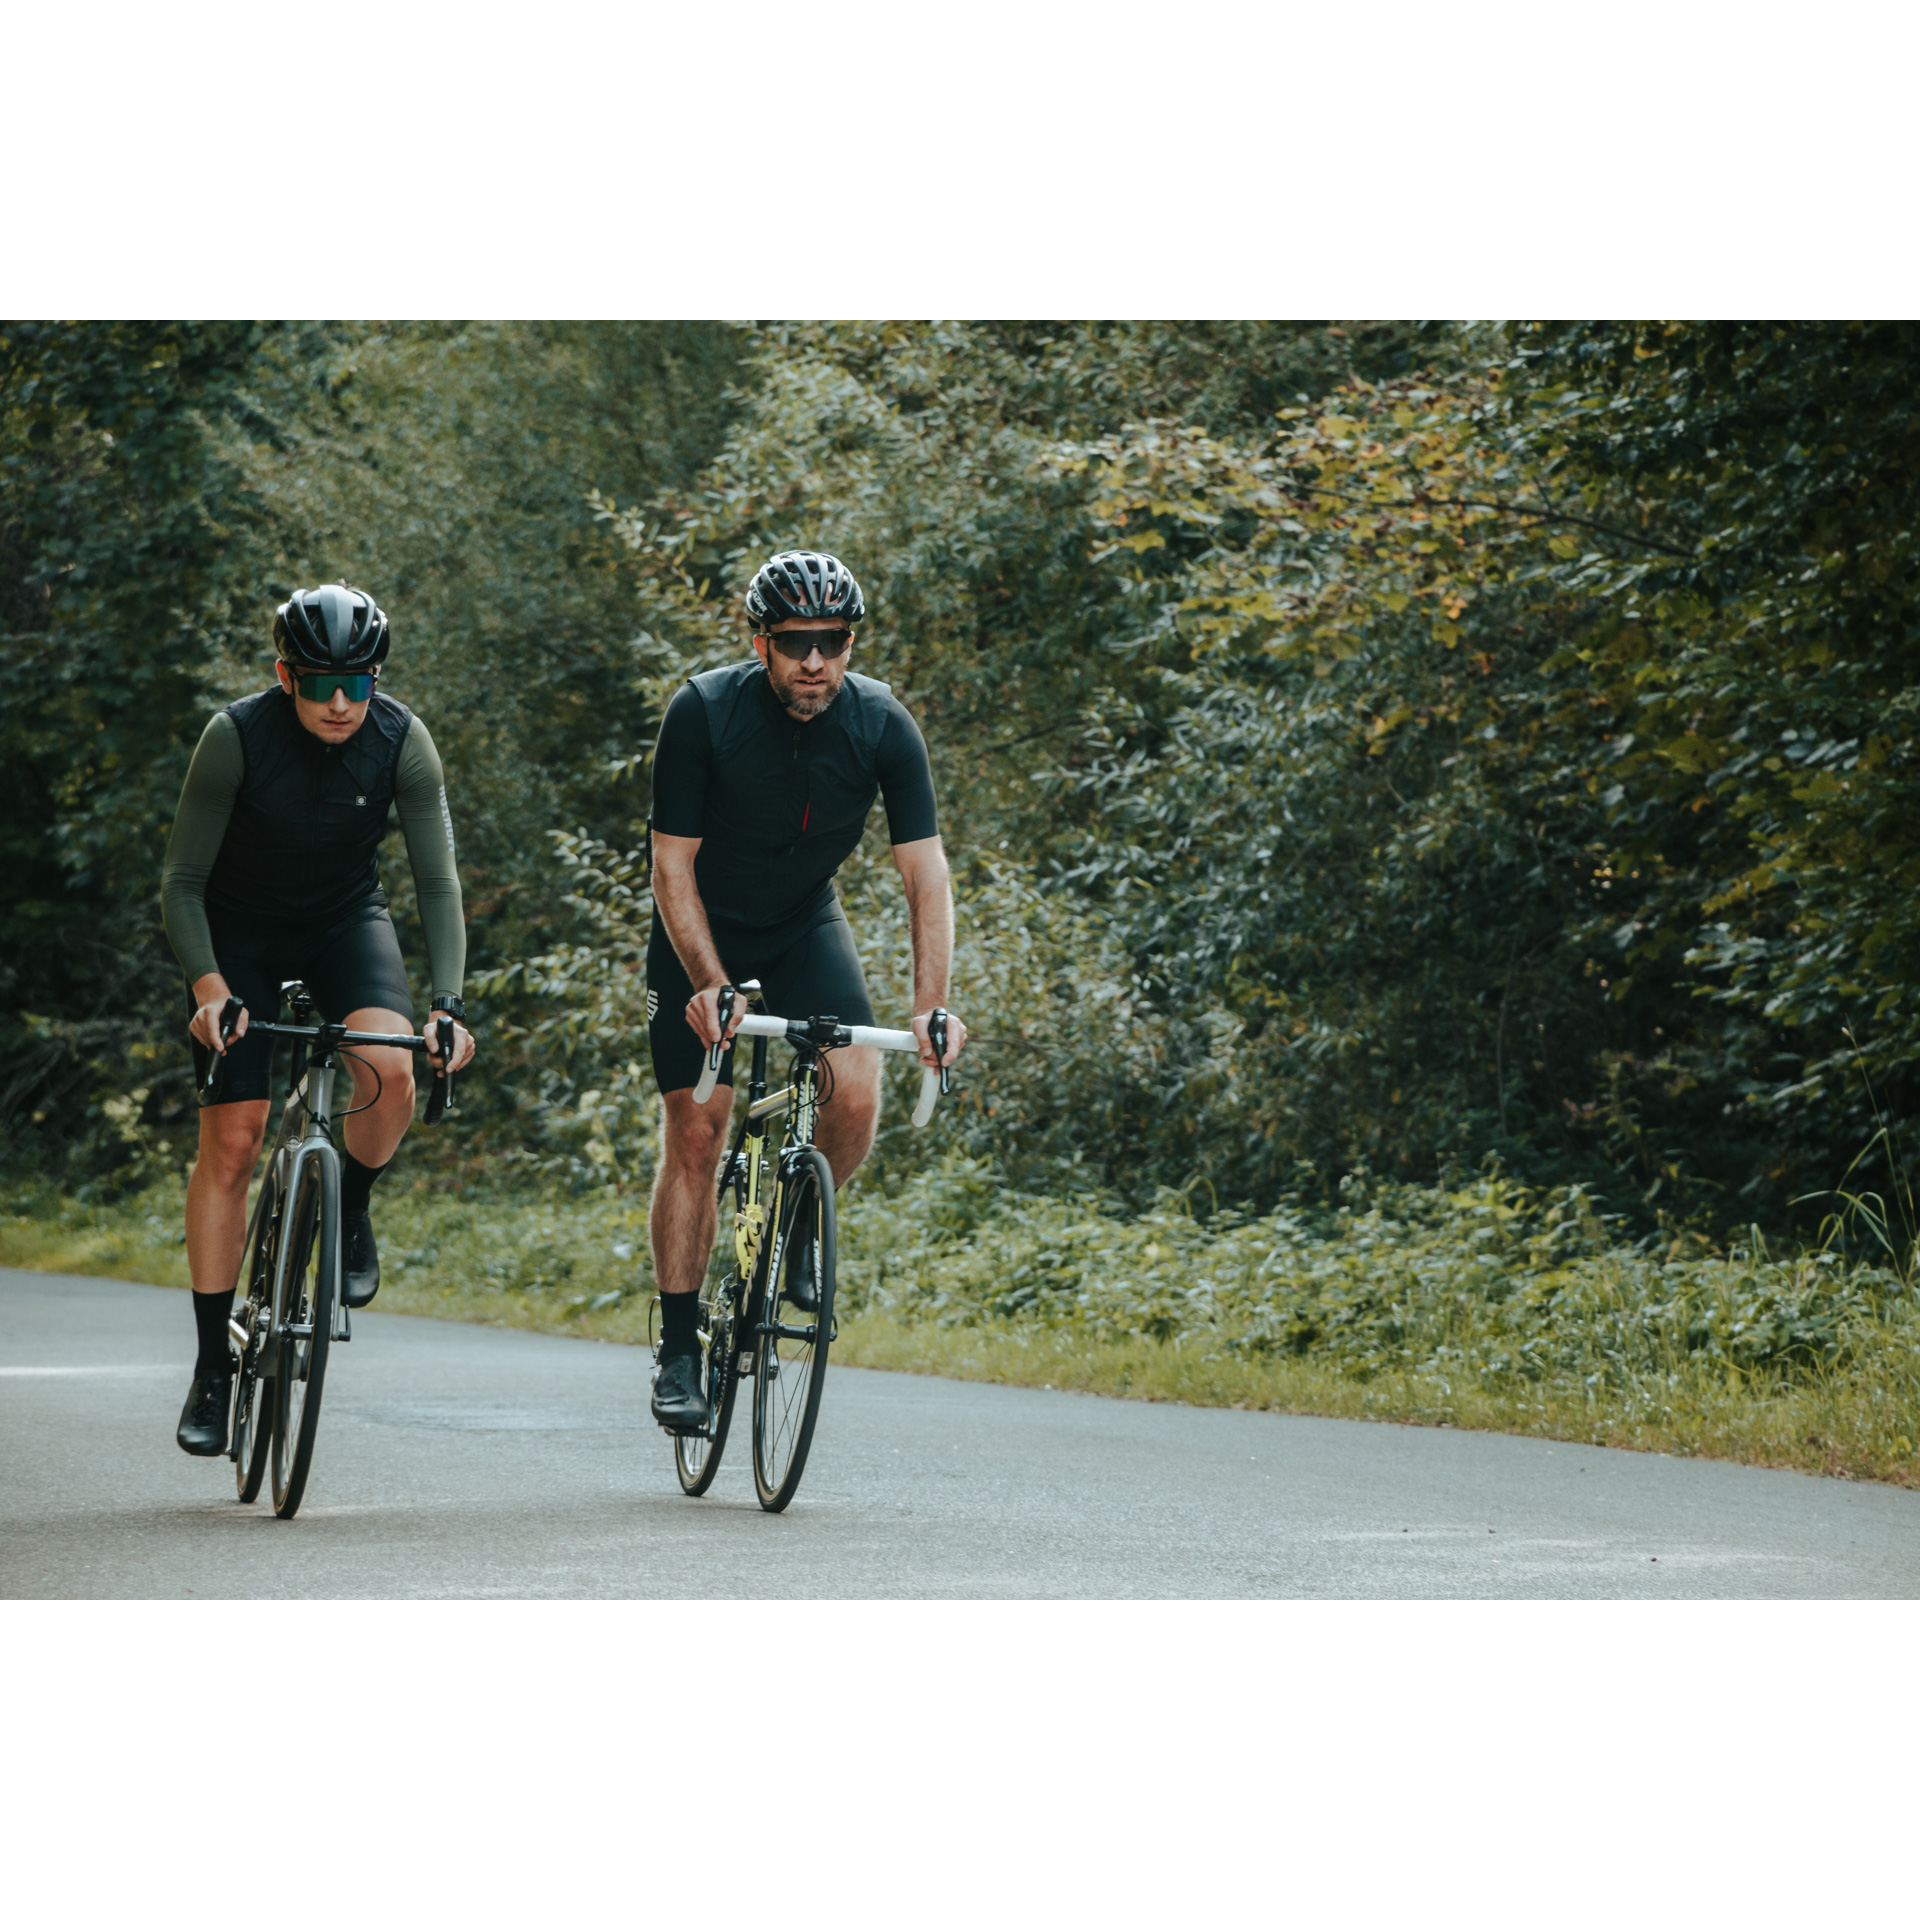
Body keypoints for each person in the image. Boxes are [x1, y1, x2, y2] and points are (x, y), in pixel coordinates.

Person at [645, 549, 966, 1429]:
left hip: (800, 925)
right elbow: (671, 869)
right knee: (698, 1133)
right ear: (762, 644)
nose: (815, 660)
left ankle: (796, 1232)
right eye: (795, 643)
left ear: (851, 642)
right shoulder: (703, 713)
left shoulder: (883, 725)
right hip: (699, 931)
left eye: (832, 641)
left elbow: (924, 874)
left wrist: (930, 1004)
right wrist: (709, 984)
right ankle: (678, 1349)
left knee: (856, 1089)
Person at [162, 583, 475, 1456]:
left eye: (358, 684)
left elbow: (438, 883)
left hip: (344, 921)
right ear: (284, 675)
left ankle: (354, 1203)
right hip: (240, 934)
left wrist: (447, 1003)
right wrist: (209, 990)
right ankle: (210, 1370)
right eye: (318, 684)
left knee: (393, 1066)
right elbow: (181, 884)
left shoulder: (402, 741)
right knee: (234, 1139)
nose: (340, 703)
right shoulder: (234, 738)